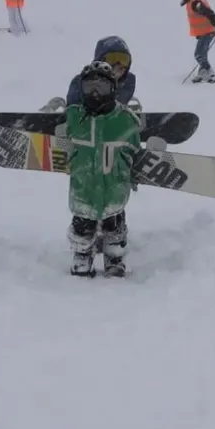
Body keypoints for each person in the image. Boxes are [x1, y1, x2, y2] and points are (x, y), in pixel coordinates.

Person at [64, 61, 142, 277]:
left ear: (113, 89)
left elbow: (134, 150)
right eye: (90, 88)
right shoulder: (75, 118)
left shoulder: (125, 121)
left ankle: (114, 256)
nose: (96, 94)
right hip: (83, 190)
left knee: (114, 228)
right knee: (83, 226)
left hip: (114, 190)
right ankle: (82, 253)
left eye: (102, 87)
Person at [65, 36, 137, 108]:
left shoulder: (128, 82)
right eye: (112, 58)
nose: (118, 65)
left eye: (124, 59)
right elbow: (73, 112)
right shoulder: (81, 82)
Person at [178, 0, 215, 83]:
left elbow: (209, 12)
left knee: (199, 54)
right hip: (204, 32)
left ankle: (210, 73)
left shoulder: (195, 3)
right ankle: (202, 72)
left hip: (208, 31)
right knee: (202, 53)